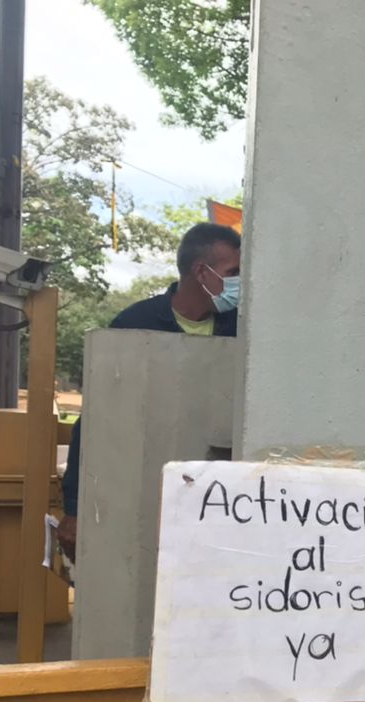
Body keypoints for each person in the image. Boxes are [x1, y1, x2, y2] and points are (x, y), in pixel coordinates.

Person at [58, 223, 242, 559]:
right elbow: (95, 425)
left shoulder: (241, 328)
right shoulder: (135, 324)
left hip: (218, 498)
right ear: (202, 272)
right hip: (143, 491)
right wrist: (74, 508)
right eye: (234, 272)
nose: (240, 282)